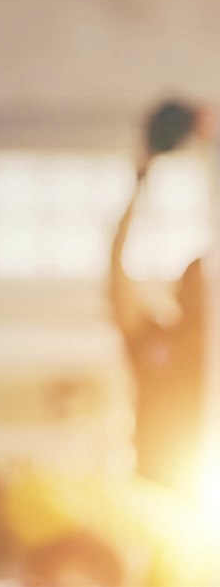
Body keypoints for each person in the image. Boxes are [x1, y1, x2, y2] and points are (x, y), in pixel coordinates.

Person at [108, 100, 213, 498]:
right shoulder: (151, 337)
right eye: (196, 283)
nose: (203, 293)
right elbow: (116, 265)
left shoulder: (213, 354)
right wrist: (144, 172)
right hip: (155, 491)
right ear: (180, 291)